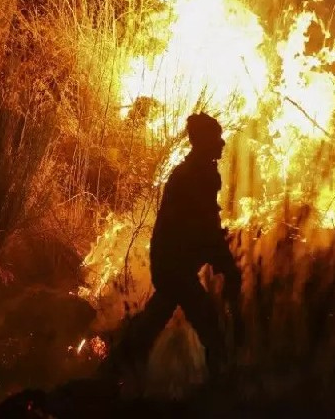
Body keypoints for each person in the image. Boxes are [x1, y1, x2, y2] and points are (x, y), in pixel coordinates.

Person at [102, 112, 244, 382]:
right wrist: (227, 266)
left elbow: (202, 228)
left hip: (173, 264)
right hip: (174, 266)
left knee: (154, 319)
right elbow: (204, 228)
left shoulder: (196, 172)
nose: (223, 143)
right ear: (202, 141)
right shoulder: (195, 176)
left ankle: (115, 371)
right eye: (217, 138)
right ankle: (221, 385)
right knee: (208, 324)